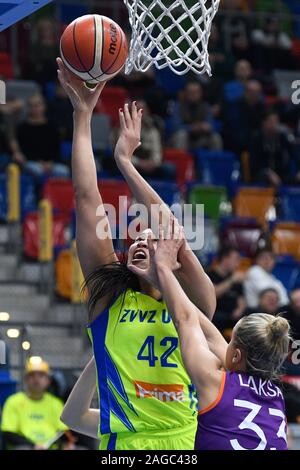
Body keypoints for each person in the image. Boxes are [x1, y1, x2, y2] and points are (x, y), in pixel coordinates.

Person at [56, 58, 216, 451]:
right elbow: (86, 197)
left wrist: (126, 163)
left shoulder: (196, 306)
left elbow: (172, 231)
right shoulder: (110, 302)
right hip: (126, 447)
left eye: (151, 237)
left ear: (172, 255)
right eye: (134, 240)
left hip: (183, 444)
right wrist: (83, 117)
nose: (142, 240)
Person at [151, 220, 289, 450]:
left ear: (236, 356)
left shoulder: (214, 382)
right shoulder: (276, 397)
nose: (222, 342)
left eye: (230, 340)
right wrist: (163, 283)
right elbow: (210, 333)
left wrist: (163, 268)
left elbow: (185, 319)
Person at [1, 358, 73, 450]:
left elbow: (63, 431)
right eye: (32, 375)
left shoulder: (56, 403)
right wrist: (33, 446)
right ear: (26, 380)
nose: (36, 379)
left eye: (41, 375)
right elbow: (8, 432)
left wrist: (66, 444)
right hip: (25, 447)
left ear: (48, 381)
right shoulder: (13, 401)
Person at [10, 93, 70, 179]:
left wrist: (50, 163)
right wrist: (39, 163)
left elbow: (56, 148)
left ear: (44, 106)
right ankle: (37, 192)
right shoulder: (22, 127)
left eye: (37, 105)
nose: (35, 108)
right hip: (31, 162)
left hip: (51, 163)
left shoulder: (52, 127)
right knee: (36, 170)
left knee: (63, 171)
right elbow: (24, 149)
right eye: (31, 106)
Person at [169, 80, 223, 151]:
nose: (194, 94)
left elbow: (211, 125)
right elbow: (175, 127)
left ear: (201, 93)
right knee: (181, 135)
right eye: (191, 92)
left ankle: (214, 161)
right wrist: (191, 128)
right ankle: (181, 160)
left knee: (215, 137)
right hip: (185, 138)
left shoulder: (206, 107)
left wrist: (205, 127)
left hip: (200, 139)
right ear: (186, 93)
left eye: (196, 92)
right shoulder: (178, 107)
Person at [250, 111, 295, 186]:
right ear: (264, 123)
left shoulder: (282, 137)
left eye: (276, 122)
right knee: (266, 180)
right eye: (271, 121)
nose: (274, 125)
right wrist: (268, 173)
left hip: (280, 173)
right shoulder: (256, 139)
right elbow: (254, 163)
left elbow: (294, 153)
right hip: (262, 173)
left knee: (293, 178)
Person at [208, 246, 246, 331]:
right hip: (217, 314)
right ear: (225, 258)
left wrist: (239, 310)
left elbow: (241, 299)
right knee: (219, 318)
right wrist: (232, 280)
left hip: (234, 316)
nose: (238, 263)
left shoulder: (235, 277)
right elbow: (214, 293)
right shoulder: (210, 274)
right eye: (236, 259)